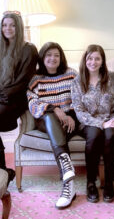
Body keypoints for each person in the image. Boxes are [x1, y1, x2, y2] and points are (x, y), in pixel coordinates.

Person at [0, 11, 38, 184]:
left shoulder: (28, 49)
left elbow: (22, 81)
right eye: (5, 25)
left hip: (14, 99)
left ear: (19, 28)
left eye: (12, 25)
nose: (8, 28)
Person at [27, 42, 78, 209]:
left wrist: (71, 115)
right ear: (42, 57)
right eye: (48, 55)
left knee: (60, 128)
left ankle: (68, 188)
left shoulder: (71, 74)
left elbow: (80, 98)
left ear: (61, 57)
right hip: (46, 121)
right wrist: (55, 109)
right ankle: (65, 163)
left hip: (69, 120)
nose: (52, 58)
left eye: (56, 55)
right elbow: (33, 104)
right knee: (50, 118)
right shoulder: (35, 79)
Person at [71, 44, 114, 204]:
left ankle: (108, 182)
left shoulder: (111, 79)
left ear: (102, 60)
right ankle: (90, 182)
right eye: (90, 58)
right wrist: (101, 123)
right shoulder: (78, 81)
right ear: (85, 60)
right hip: (87, 123)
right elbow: (78, 111)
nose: (93, 62)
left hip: (109, 120)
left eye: (97, 58)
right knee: (94, 135)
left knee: (111, 135)